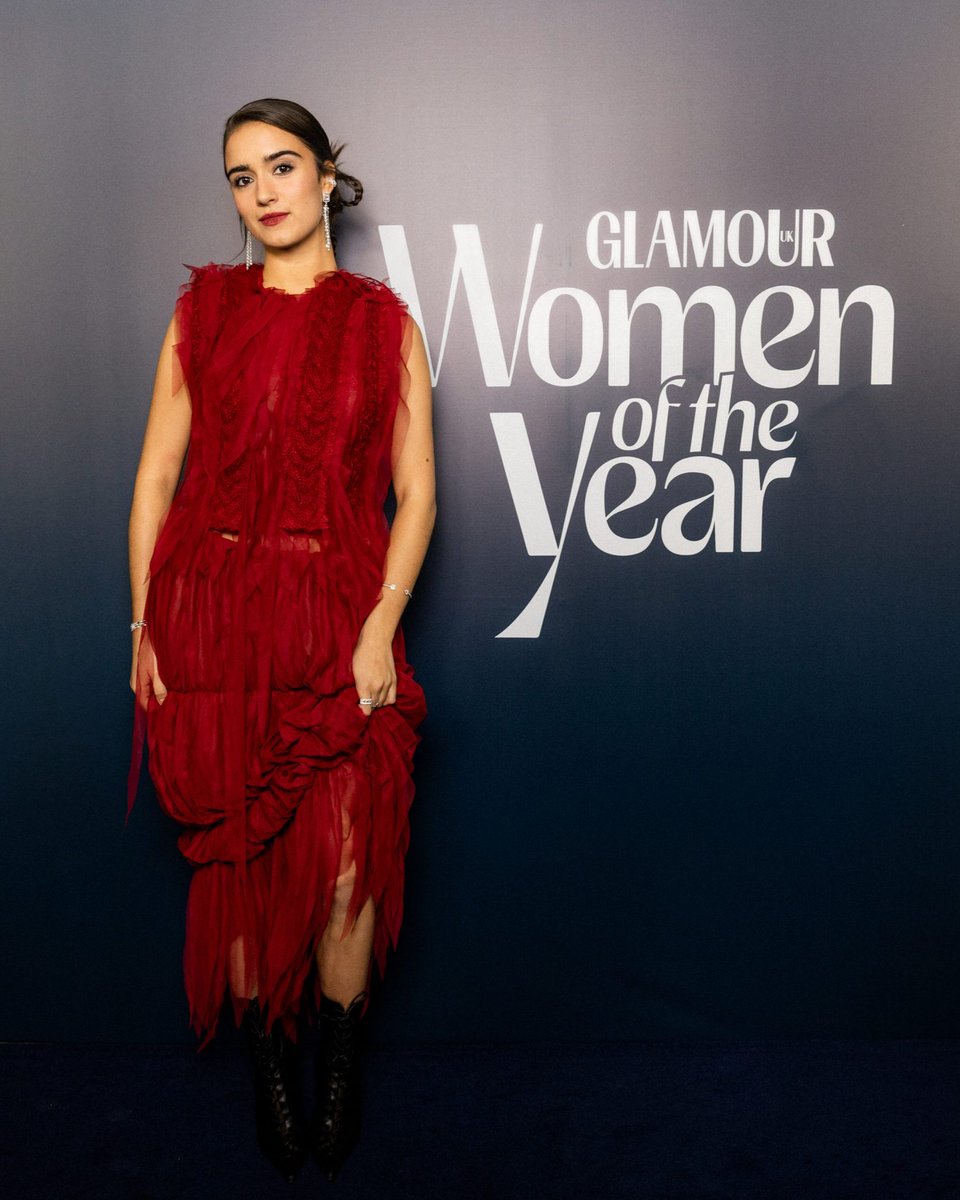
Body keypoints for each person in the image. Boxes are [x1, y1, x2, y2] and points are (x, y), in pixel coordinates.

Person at [126, 98, 435, 1182]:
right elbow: (156, 478)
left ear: (327, 176)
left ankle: (340, 1069)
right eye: (241, 177)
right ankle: (268, 1073)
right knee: (246, 866)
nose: (262, 192)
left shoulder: (382, 319)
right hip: (210, 612)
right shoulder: (202, 311)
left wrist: (381, 625)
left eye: (282, 166)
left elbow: (417, 491)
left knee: (352, 863)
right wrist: (142, 625)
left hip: (336, 609)